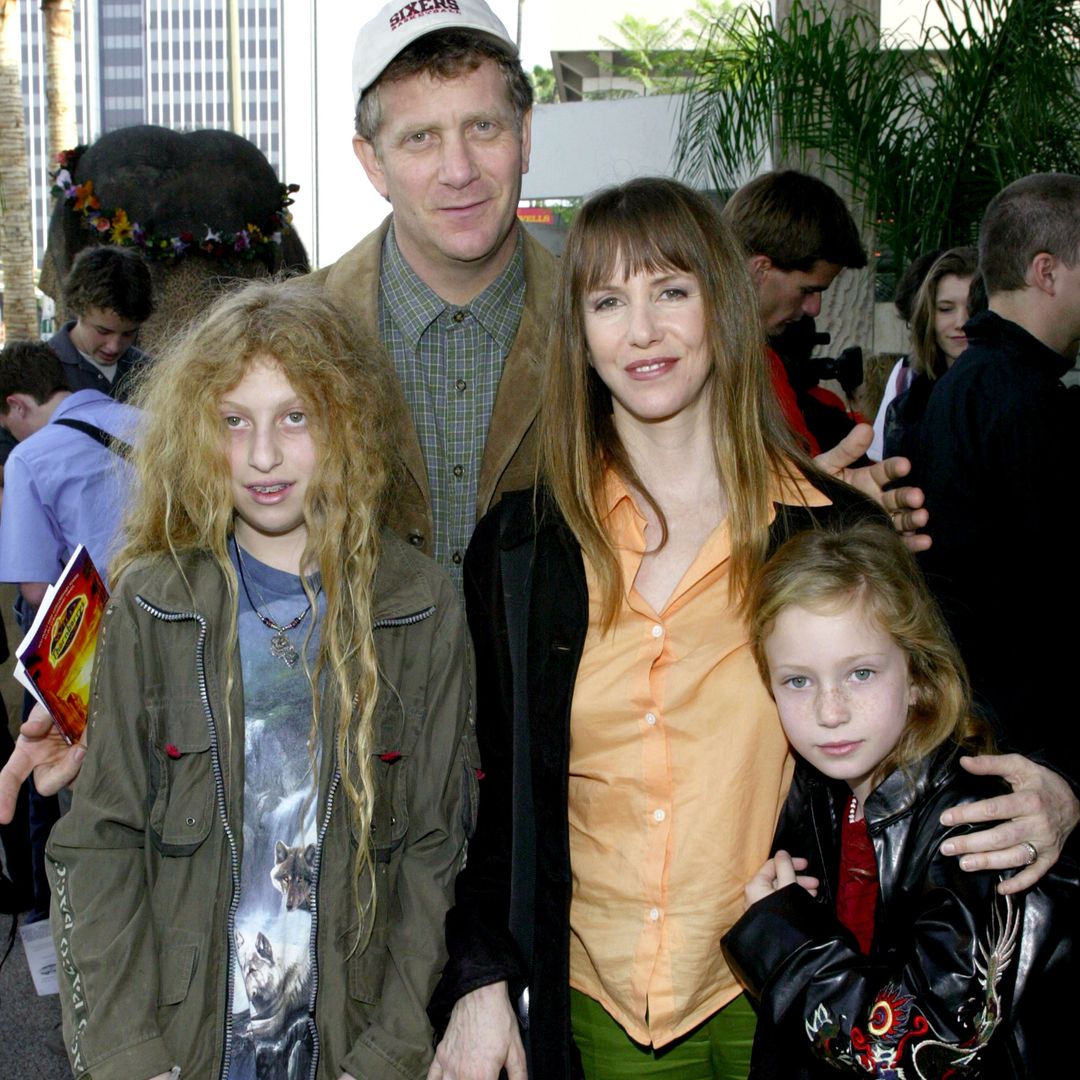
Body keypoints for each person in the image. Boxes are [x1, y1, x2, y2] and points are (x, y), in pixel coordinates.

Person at [424, 179, 1071, 1080]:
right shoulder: (524, 547)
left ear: (722, 306)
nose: (642, 330)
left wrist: (1056, 794)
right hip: (594, 1000)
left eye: (671, 291)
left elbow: (943, 725)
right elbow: (490, 800)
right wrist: (479, 973)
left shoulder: (833, 528)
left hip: (796, 993)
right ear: (580, 333)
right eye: (608, 301)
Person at [43, 279, 476, 1080]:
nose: (264, 455)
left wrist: (386, 1053)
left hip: (351, 1035)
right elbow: (101, 840)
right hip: (190, 1038)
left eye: (295, 417)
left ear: (347, 422)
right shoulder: (155, 603)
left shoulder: (418, 606)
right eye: (233, 421)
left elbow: (432, 848)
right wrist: (130, 1056)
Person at [724, 519, 1076, 1077]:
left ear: (918, 676)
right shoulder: (820, 796)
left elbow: (911, 1054)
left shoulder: (981, 828)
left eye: (860, 673)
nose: (829, 711)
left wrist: (785, 943)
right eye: (798, 681)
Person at [911, 174, 1080, 778]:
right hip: (1028, 734)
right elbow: (1055, 587)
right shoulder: (1020, 399)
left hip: (986, 713)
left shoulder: (970, 384)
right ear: (1047, 271)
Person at [722, 169, 869, 455]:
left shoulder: (761, 360)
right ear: (760, 269)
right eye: (807, 290)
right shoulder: (691, 361)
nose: (814, 308)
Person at [0, 340, 139, 606]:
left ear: (17, 405)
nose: (13, 436)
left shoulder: (28, 457)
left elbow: (36, 589)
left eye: (7, 427)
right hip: (188, 598)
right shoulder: (147, 419)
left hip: (117, 615)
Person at [879, 246, 978, 459]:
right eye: (945, 309)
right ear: (927, 318)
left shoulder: (1010, 395)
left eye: (973, 308)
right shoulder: (906, 404)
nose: (961, 322)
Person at [49, 245, 153, 402]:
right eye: (103, 332)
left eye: (128, 333)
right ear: (78, 307)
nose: (114, 346)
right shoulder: (33, 371)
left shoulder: (151, 372)